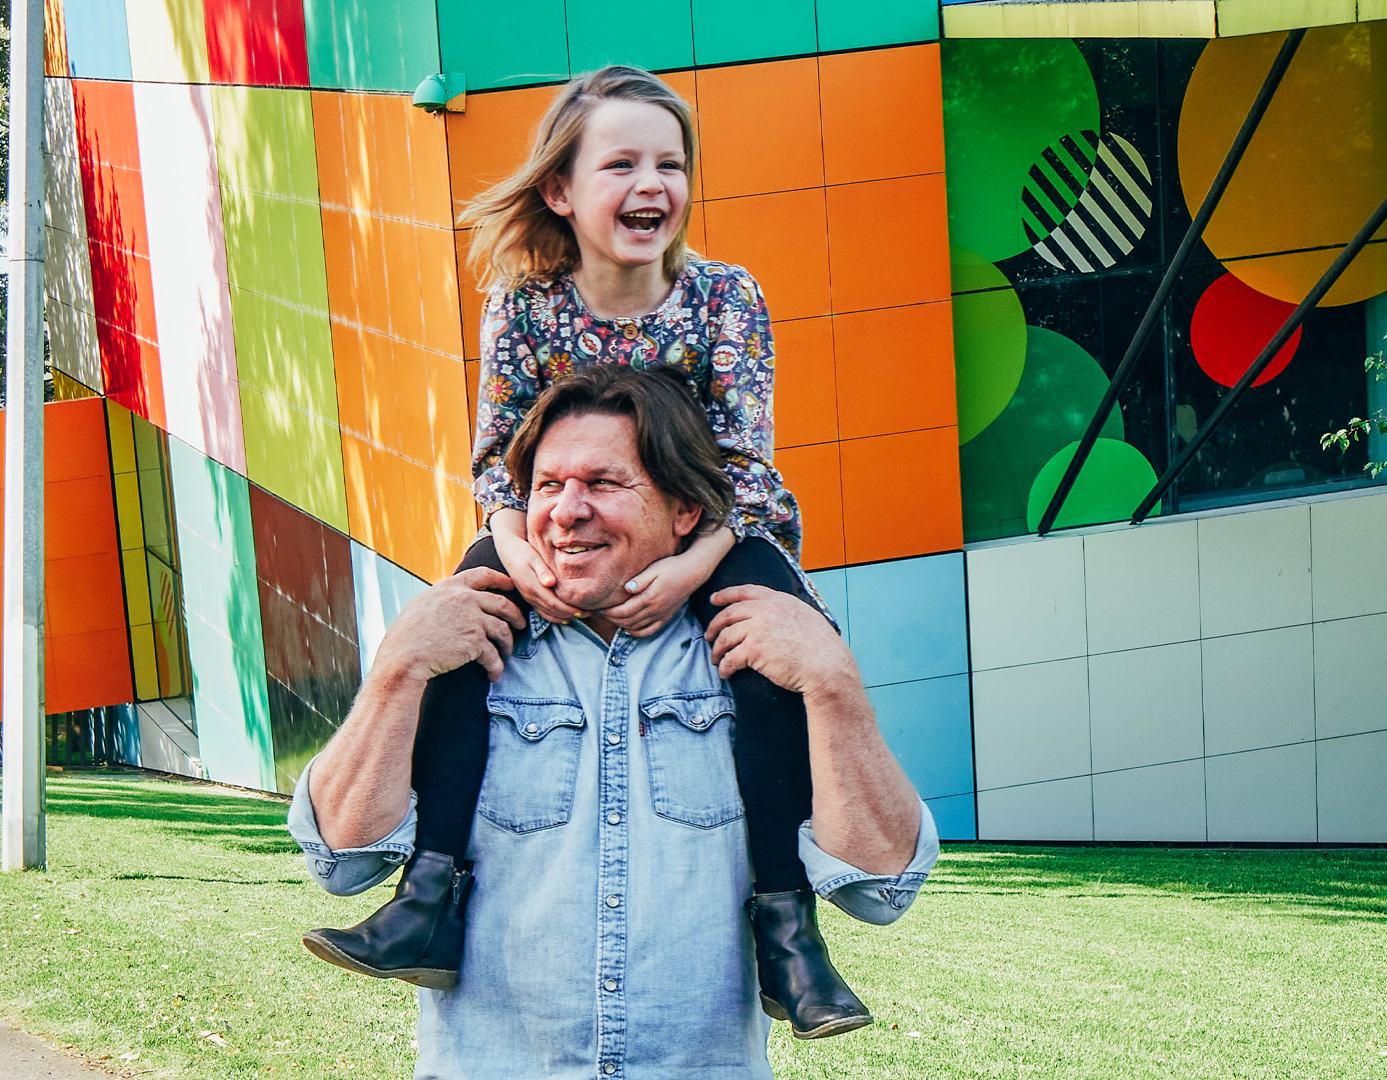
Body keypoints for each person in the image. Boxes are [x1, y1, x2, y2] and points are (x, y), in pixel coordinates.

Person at [298, 65, 870, 1034]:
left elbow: (745, 464)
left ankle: (788, 927)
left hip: (717, 525)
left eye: (670, 165)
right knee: (459, 631)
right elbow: (496, 460)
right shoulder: (524, 306)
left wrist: (689, 569)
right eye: (622, 165)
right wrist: (516, 552)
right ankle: (428, 893)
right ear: (561, 190)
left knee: (778, 651)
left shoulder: (724, 297)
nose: (652, 184)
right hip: (546, 519)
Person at [289, 365, 937, 1078]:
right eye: (547, 486)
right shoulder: (462, 647)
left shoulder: (760, 655)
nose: (567, 512)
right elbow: (341, 864)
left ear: (685, 510)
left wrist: (834, 684)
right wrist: (397, 669)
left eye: (603, 483)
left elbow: (882, 890)